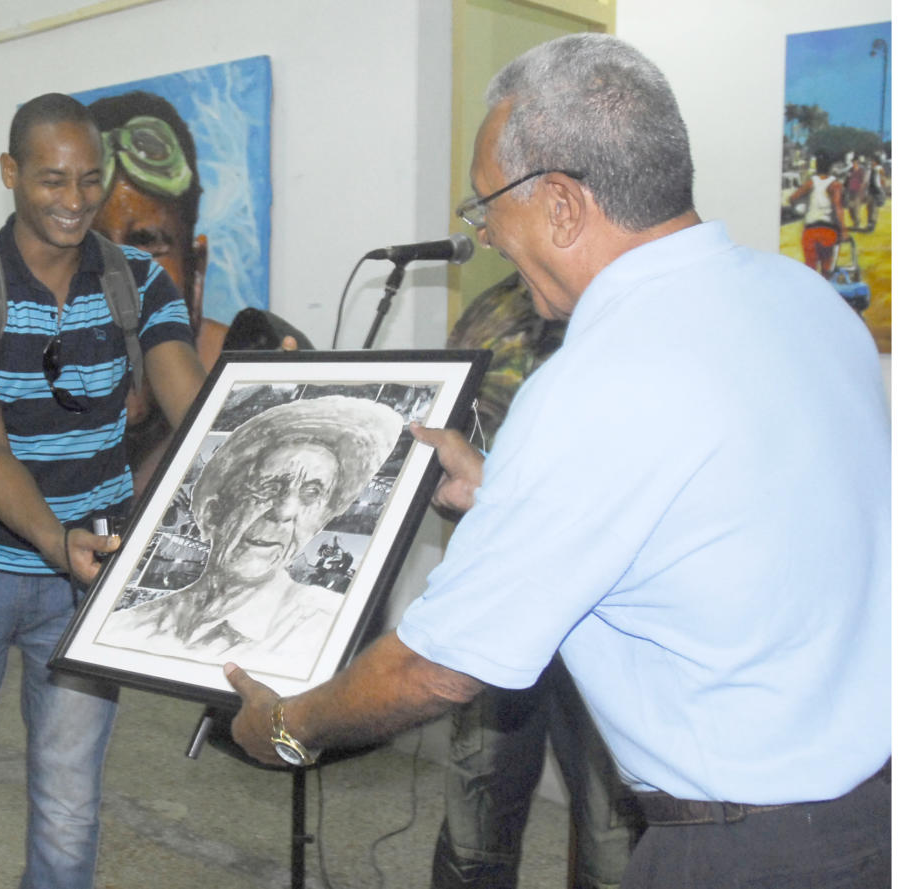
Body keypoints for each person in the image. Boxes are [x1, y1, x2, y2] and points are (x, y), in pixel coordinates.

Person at [224, 34, 890, 889]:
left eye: (485, 206)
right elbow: (716, 509)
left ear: (564, 206)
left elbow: (437, 667)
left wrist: (286, 724)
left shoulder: (597, 379)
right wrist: (501, 490)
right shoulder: (802, 296)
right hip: (874, 808)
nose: (486, 236)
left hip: (745, 851)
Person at [0, 93, 207, 889]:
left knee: (70, 802)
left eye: (88, 179)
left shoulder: (138, 281)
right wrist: (53, 538)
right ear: (11, 174)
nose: (75, 201)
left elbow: (194, 409)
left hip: (88, 581)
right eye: (52, 179)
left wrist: (254, 419)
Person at [431, 271, 642, 889]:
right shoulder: (492, 312)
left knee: (615, 840)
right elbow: (455, 435)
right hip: (499, 600)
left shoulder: (636, 312)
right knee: (476, 822)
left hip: (606, 612)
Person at [98, 395, 402, 675]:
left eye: (311, 494)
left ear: (319, 521)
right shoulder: (126, 626)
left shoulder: (321, 626)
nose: (283, 512)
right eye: (269, 487)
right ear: (213, 512)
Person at [88, 92, 214, 490]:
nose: (119, 275)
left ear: (196, 270)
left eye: (147, 242)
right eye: (93, 247)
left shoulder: (246, 368)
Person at [789, 150, 848, 277]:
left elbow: (793, 198)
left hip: (810, 231)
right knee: (826, 269)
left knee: (810, 269)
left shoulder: (811, 182)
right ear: (830, 167)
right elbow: (838, 207)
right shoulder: (835, 184)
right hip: (828, 231)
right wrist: (843, 230)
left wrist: (801, 207)